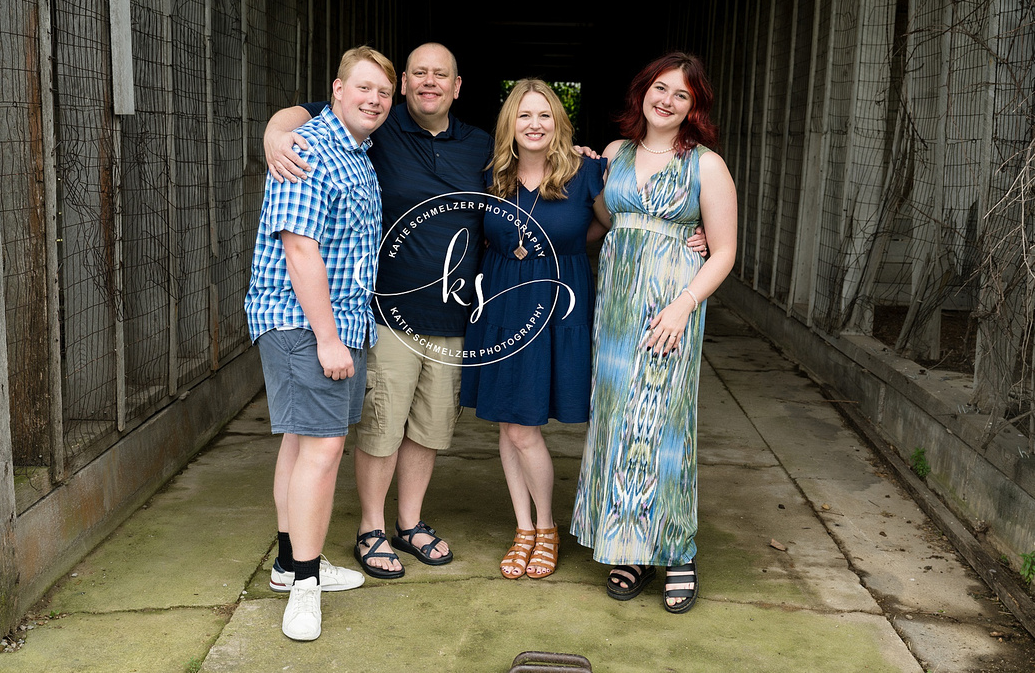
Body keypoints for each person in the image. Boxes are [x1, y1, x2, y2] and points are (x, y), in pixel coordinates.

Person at [263, 43, 493, 578]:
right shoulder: (376, 130)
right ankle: (368, 529)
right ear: (406, 86)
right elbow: (302, 114)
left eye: (442, 75)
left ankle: (409, 523)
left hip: (452, 318)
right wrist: (276, 134)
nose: (430, 82)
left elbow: (537, 161)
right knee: (382, 426)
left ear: (458, 87)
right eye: (419, 74)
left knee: (429, 427)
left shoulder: (480, 144)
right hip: (385, 314)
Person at [570, 52, 737, 614]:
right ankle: (628, 545)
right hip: (615, 308)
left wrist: (684, 305)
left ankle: (677, 549)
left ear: (694, 108)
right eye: (660, 88)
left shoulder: (706, 166)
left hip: (671, 309)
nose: (667, 100)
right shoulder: (614, 155)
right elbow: (598, 221)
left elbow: (726, 249)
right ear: (643, 91)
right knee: (618, 421)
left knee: (665, 427)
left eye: (681, 95)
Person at [244, 45, 397, 640]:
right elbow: (299, 247)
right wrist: (329, 339)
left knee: (302, 443)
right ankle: (304, 588)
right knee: (323, 451)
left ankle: (290, 565)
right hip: (305, 325)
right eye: (363, 88)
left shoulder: (356, 154)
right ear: (336, 90)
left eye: (383, 93)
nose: (374, 100)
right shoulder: (309, 148)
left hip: (336, 324)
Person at [460, 79, 607, 580]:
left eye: (545, 115)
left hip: (557, 302)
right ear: (510, 125)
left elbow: (620, 219)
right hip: (501, 298)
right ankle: (523, 526)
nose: (535, 124)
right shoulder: (491, 174)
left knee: (524, 426)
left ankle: (546, 527)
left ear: (560, 123)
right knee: (509, 420)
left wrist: (698, 231)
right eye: (524, 116)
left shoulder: (588, 172)